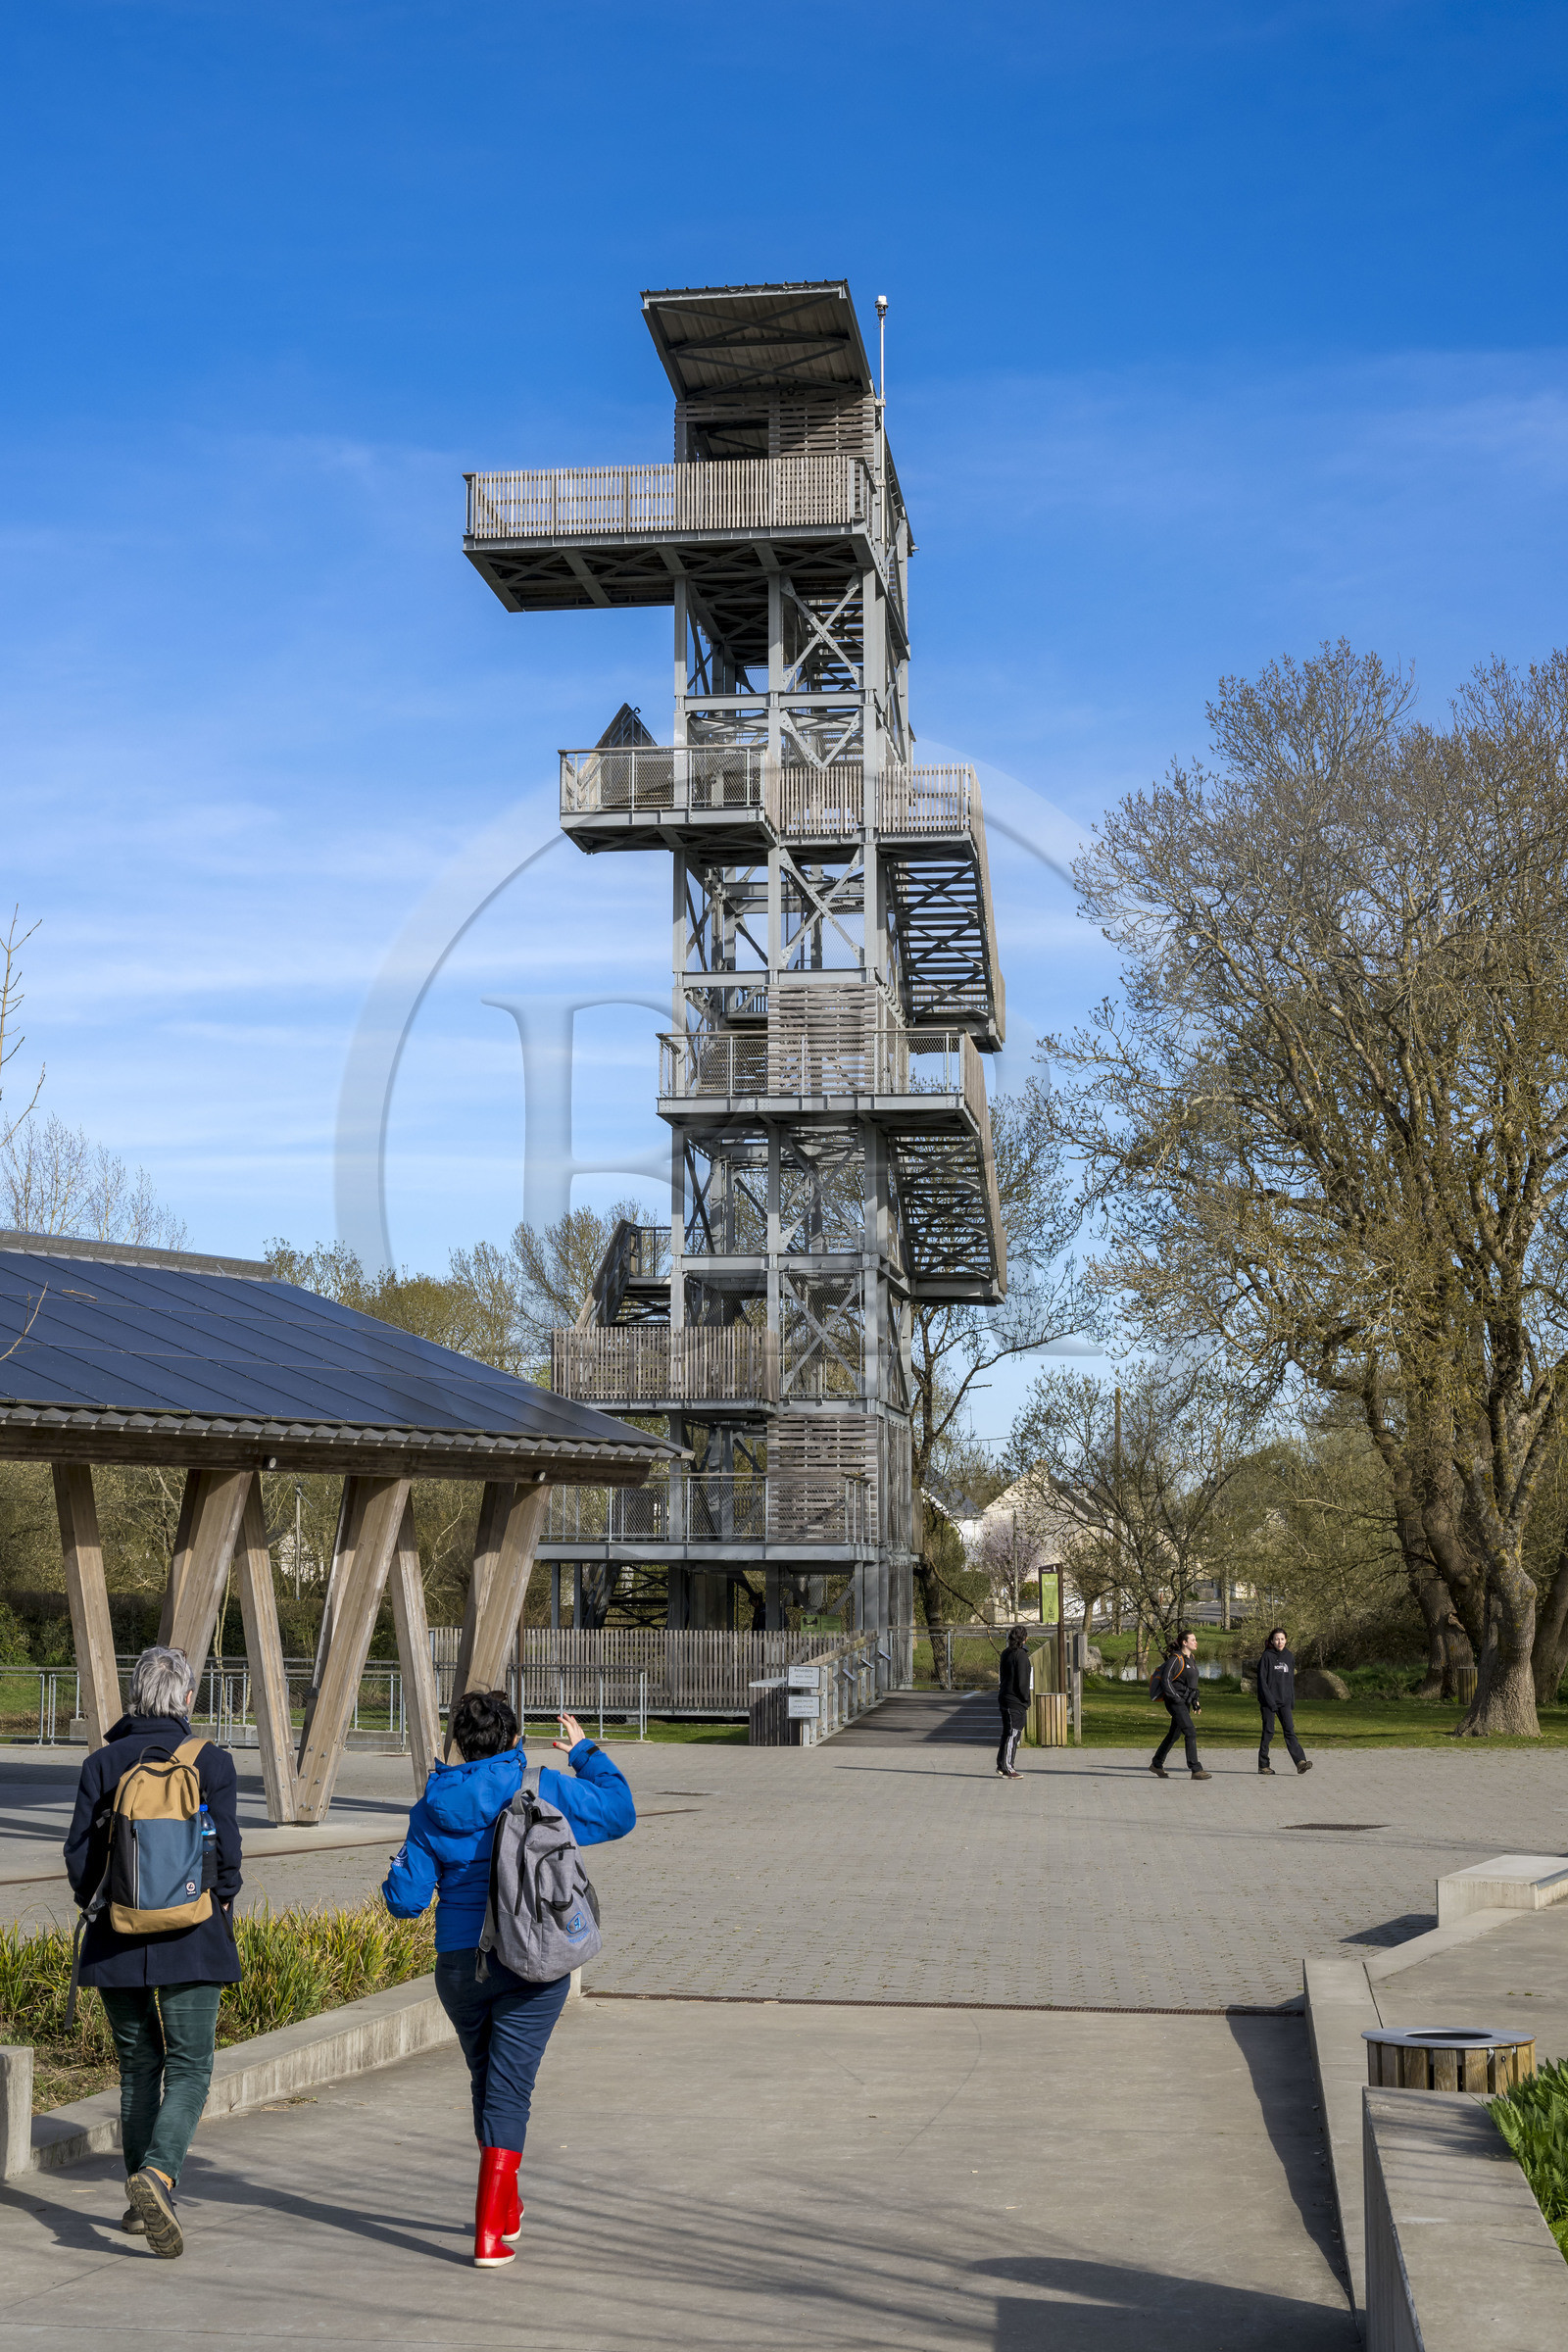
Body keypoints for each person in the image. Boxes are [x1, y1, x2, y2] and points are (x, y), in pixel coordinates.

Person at [383, 1691, 635, 2269]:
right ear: (515, 1739)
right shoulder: (539, 1787)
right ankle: (488, 2234)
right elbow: (620, 1812)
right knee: (510, 2089)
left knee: (488, 2081)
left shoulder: (430, 1805)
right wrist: (585, 1753)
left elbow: (406, 1902)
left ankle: (507, 2207)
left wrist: (398, 1869)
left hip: (459, 1967)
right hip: (532, 1961)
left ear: (458, 1743)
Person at [63, 1643, 242, 2259]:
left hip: (116, 1940)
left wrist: (108, 1901)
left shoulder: (102, 1764)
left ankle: (142, 2202)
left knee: (139, 2068)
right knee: (190, 2067)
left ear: (135, 1697)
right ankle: (159, 2177)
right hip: (193, 1937)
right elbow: (229, 1860)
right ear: (187, 1698)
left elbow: (80, 1861)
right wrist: (217, 1902)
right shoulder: (211, 1762)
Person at [1150, 1629, 1211, 1781]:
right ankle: (1195, 1769)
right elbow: (1166, 1681)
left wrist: (1195, 1701)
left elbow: (1191, 1683)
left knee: (1174, 1733)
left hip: (1185, 1701)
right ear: (1184, 1642)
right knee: (1190, 1731)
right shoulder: (1175, 1659)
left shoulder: (1191, 1658)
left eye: (1195, 1640)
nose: (1196, 1642)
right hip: (1175, 1702)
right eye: (1193, 1640)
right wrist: (1176, 1698)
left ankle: (1156, 1763)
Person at [1256, 1626, 1313, 1776]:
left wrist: (1291, 1699)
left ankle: (1300, 1762)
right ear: (1271, 1641)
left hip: (1285, 1701)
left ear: (1286, 1640)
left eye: (1282, 1639)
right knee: (1268, 1732)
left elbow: (1290, 1681)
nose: (1279, 1642)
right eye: (1277, 1639)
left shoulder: (1289, 1656)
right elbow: (1262, 1682)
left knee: (1290, 1731)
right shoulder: (1266, 1657)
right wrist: (1270, 1702)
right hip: (1268, 1702)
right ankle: (1263, 1765)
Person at [996, 1627, 1031, 1778]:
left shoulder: (1006, 1653)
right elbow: (1022, 1682)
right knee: (1013, 1734)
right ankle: (1008, 1767)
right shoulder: (1021, 1656)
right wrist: (1026, 1699)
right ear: (1024, 1639)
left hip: (1004, 1696)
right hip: (1015, 1700)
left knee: (1007, 1732)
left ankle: (1001, 1764)